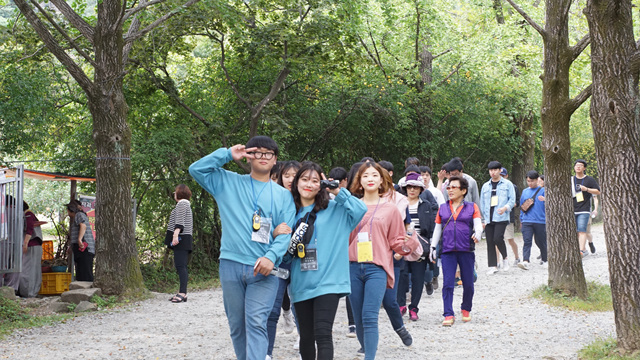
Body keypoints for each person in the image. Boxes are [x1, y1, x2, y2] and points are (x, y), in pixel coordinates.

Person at [189, 136, 296, 360]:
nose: (263, 157)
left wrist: (271, 256)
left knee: (257, 322)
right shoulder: (228, 182)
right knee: (237, 326)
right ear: (249, 157)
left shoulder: (284, 196)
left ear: (275, 159)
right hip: (231, 264)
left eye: (268, 153)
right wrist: (227, 154)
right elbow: (196, 169)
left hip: (264, 268)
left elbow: (285, 234)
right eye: (257, 152)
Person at [286, 162, 367, 360]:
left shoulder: (335, 210)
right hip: (300, 282)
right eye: (304, 179)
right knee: (306, 336)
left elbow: (360, 210)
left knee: (323, 334)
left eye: (315, 181)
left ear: (321, 184)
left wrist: (338, 191)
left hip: (328, 283)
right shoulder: (287, 212)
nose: (309, 184)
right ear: (296, 183)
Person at [347, 162, 419, 359]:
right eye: (365, 176)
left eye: (374, 175)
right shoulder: (351, 207)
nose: (370, 178)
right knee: (359, 318)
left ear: (381, 180)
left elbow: (396, 241)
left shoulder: (391, 209)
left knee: (370, 316)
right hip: (352, 267)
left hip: (377, 268)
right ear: (359, 181)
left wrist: (410, 243)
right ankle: (367, 349)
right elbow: (341, 237)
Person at [428, 176, 483, 326]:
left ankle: (466, 308)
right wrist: (433, 246)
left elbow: (478, 225)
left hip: (466, 249)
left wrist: (477, 234)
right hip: (447, 250)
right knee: (447, 283)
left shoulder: (472, 207)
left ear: (463, 190)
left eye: (454, 187)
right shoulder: (443, 208)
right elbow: (437, 229)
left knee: (468, 283)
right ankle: (448, 314)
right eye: (449, 187)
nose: (450, 190)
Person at [266, 160, 301, 358]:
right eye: (286, 175)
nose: (290, 180)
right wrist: (273, 231)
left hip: (300, 262)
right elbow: (259, 228)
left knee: (300, 305)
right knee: (272, 309)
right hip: (278, 261)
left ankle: (303, 338)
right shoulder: (272, 199)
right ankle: (267, 353)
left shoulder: (308, 200)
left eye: (295, 176)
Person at [397, 173, 438, 321]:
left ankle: (413, 308)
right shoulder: (399, 204)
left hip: (420, 248)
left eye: (415, 187)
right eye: (409, 187)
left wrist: (432, 246)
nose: (412, 190)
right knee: (401, 277)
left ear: (421, 189)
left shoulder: (426, 205)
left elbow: (432, 227)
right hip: (401, 246)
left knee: (418, 279)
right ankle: (401, 305)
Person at [328, 166, 356, 338]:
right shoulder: (323, 198)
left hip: (349, 248)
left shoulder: (349, 199)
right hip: (332, 249)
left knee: (348, 288)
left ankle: (352, 323)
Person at [479, 161, 515, 274]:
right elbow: (482, 203)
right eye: (491, 170)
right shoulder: (485, 186)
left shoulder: (507, 184)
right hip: (488, 217)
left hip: (501, 216)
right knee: (489, 241)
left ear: (500, 170)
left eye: (495, 170)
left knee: (497, 238)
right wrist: (483, 219)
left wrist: (505, 208)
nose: (493, 172)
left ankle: (505, 258)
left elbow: (512, 199)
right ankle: (493, 266)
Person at [165, 185, 193, 303]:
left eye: (175, 192)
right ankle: (183, 292)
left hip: (181, 238)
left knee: (181, 266)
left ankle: (182, 293)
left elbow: (180, 221)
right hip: (184, 238)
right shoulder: (186, 204)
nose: (173, 194)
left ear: (179, 194)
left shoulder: (182, 204)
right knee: (181, 266)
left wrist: (175, 235)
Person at [518, 171, 547, 270]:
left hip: (540, 220)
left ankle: (545, 259)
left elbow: (551, 205)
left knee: (541, 241)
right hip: (527, 220)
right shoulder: (525, 191)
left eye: (532, 181)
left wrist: (545, 200)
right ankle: (525, 260)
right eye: (528, 181)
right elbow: (522, 206)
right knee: (527, 241)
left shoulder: (544, 190)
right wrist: (521, 219)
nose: (530, 183)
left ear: (537, 179)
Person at [572, 159, 600, 256]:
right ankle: (581, 249)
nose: (578, 167)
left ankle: (581, 251)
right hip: (572, 209)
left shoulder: (589, 179)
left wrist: (586, 189)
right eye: (576, 165)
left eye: (580, 165)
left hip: (584, 209)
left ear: (584, 168)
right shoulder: (571, 179)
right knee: (575, 231)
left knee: (582, 230)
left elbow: (598, 191)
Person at [19, 201, 43, 298]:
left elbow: (30, 228)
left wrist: (25, 243)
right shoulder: (29, 214)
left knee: (29, 270)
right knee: (33, 270)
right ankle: (31, 292)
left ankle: (29, 293)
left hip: (32, 246)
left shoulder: (28, 215)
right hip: (34, 246)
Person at [66, 201, 95, 282]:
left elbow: (83, 226)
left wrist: (79, 240)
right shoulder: (80, 215)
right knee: (80, 272)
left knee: (85, 273)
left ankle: (87, 292)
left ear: (70, 210)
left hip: (84, 248)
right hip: (80, 248)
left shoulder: (78, 215)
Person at [499, 168, 521, 266]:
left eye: (503, 175)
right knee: (497, 240)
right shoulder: (494, 186)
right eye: (500, 175)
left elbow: (517, 202)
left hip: (508, 216)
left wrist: (507, 206)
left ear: (507, 176)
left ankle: (517, 257)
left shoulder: (513, 186)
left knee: (510, 239)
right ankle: (497, 262)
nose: (501, 177)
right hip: (496, 217)